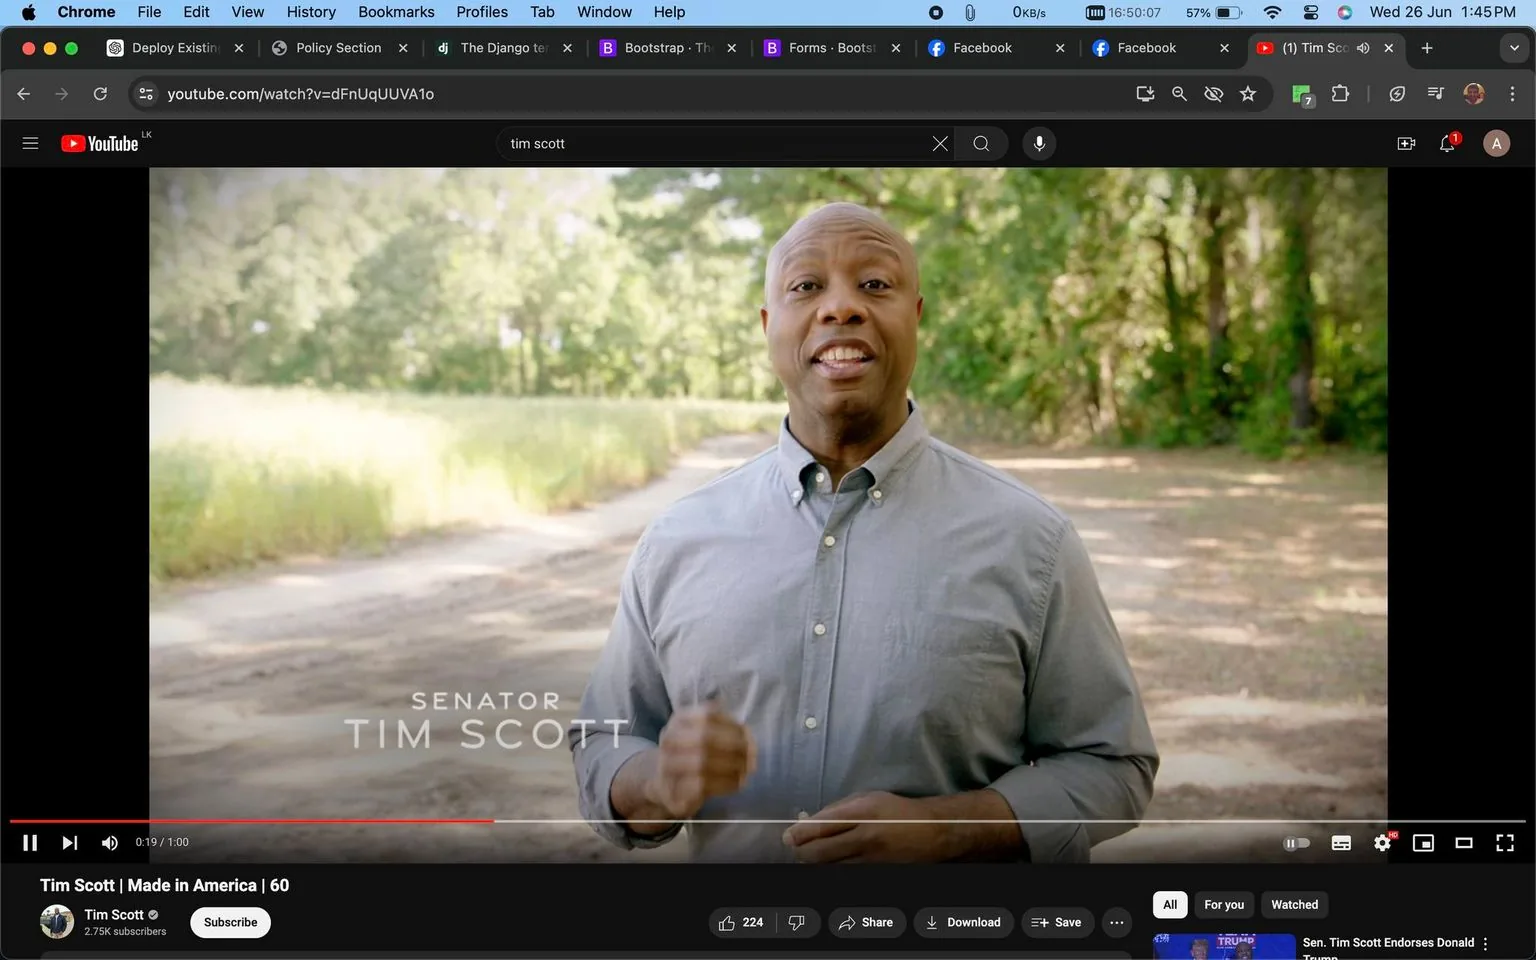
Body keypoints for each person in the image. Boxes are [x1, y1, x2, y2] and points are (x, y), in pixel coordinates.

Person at [569, 201, 1158, 862]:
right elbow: (603, 742)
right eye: (806, 286)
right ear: (768, 326)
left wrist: (951, 828)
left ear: (916, 316)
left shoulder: (1032, 541)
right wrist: (655, 782)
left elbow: (1114, 766)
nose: (842, 307)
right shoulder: (676, 541)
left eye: (875, 284)